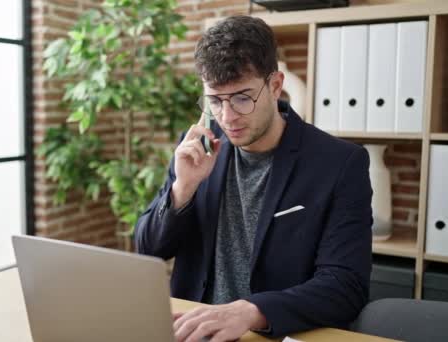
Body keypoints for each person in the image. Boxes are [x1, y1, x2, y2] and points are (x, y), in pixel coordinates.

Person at [134, 15, 373, 341]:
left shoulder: (339, 163)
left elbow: (346, 286)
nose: (228, 117)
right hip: (191, 332)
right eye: (215, 101)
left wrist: (252, 310)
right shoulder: (197, 149)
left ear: (276, 85)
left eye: (243, 98)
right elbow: (148, 249)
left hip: (270, 334)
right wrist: (183, 188)